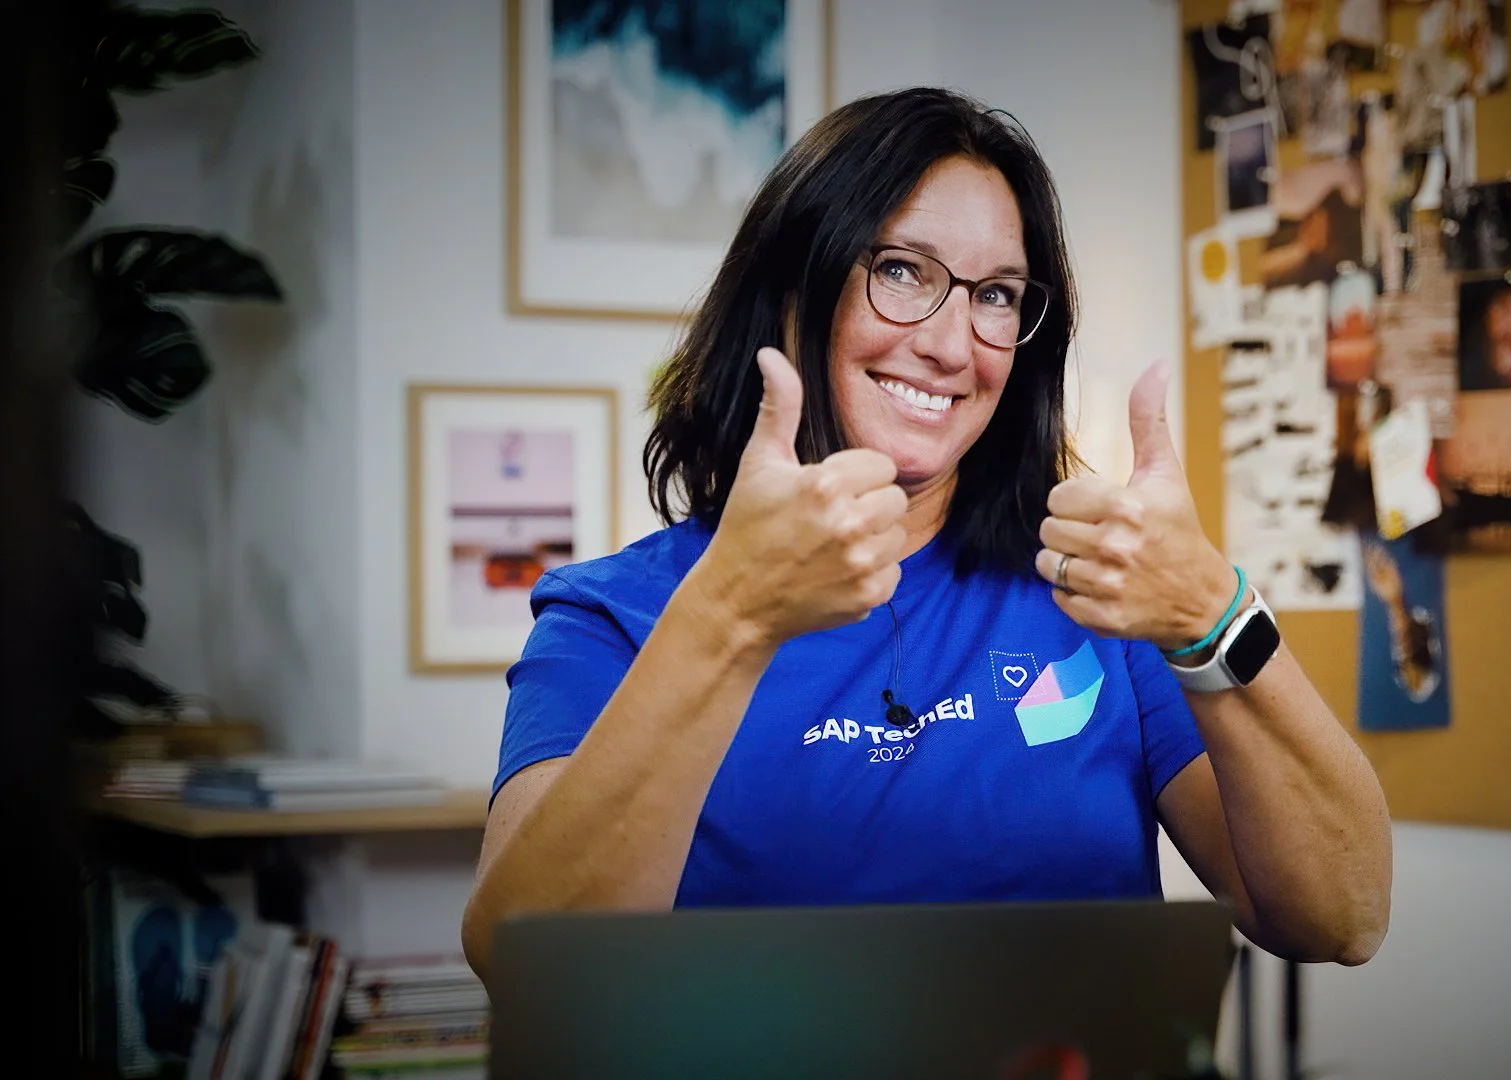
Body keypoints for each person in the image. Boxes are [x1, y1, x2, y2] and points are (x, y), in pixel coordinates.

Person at [460, 88, 1393, 982]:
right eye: (901, 271)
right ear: (793, 291)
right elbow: (528, 963)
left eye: (997, 294)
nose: (952, 345)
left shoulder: (1097, 596)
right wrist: (728, 618)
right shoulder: (611, 616)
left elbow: (1342, 917)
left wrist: (1214, 610)